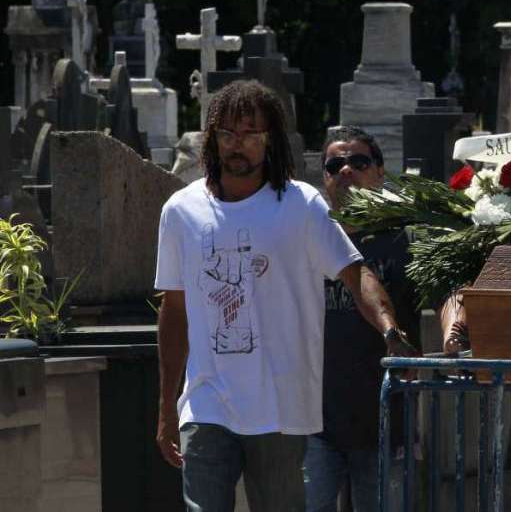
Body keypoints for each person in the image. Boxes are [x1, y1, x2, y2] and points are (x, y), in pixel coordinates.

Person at [155, 81, 410, 512]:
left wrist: (390, 329)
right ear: (212, 138)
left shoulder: (301, 205)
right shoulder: (180, 211)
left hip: (279, 409)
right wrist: (166, 409)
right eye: (228, 134)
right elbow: (174, 309)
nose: (238, 145)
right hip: (205, 403)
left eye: (251, 134)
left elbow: (356, 274)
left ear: (270, 140)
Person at [304, 126, 421, 512]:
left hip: (384, 420)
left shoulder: (406, 241)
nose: (346, 170)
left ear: (380, 172)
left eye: (359, 161)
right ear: (324, 178)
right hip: (314, 421)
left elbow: (449, 294)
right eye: (334, 164)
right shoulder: (308, 242)